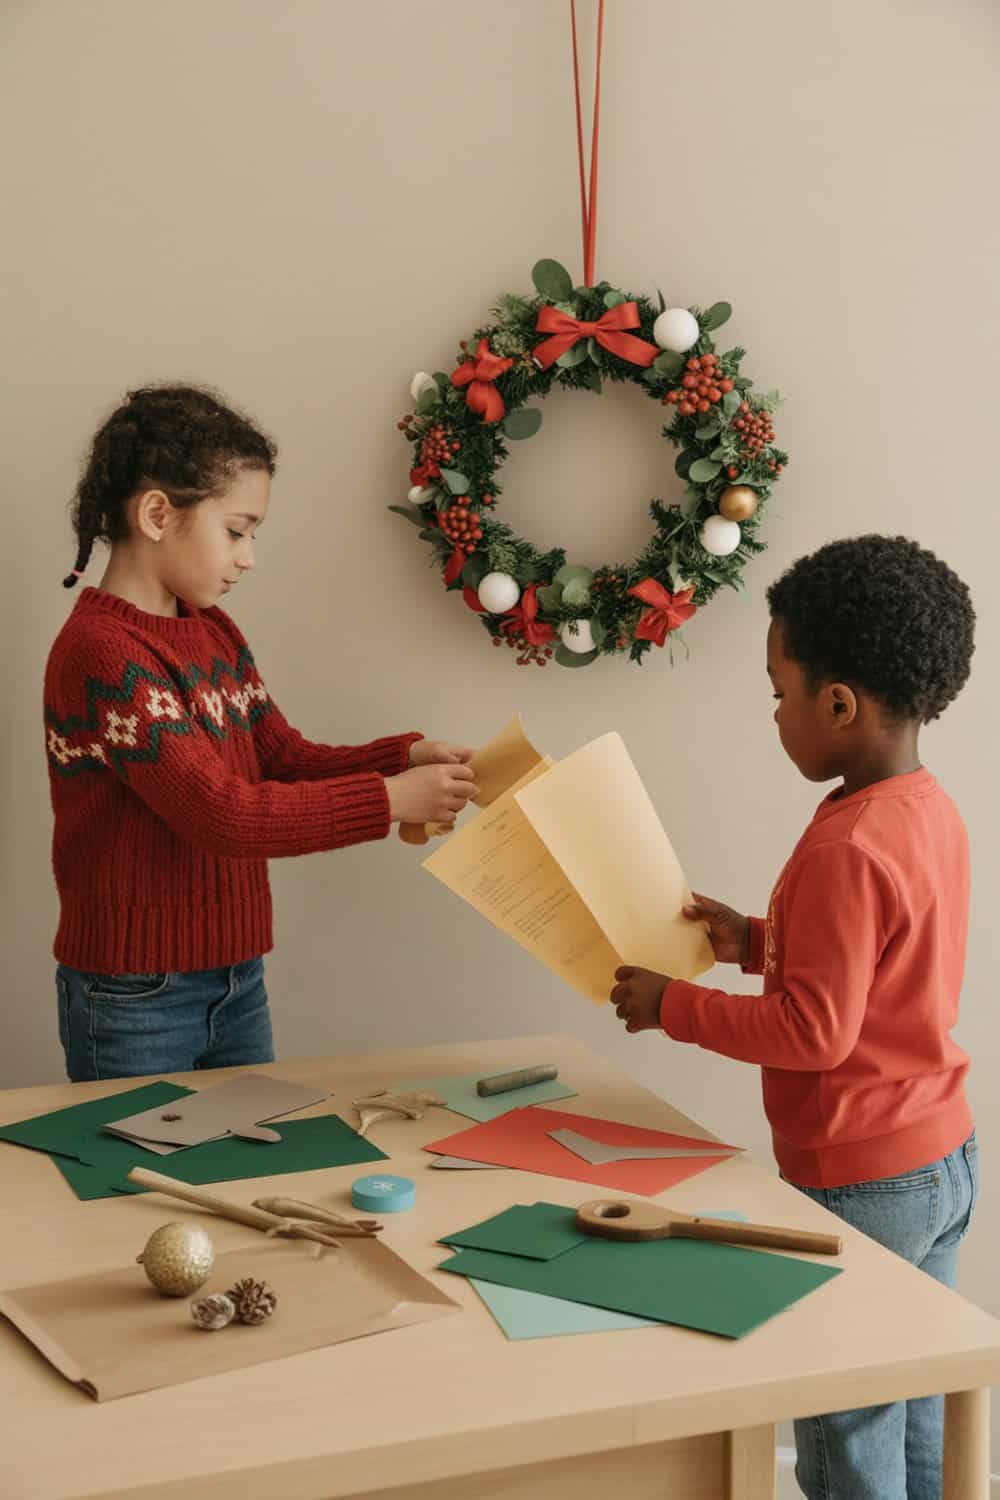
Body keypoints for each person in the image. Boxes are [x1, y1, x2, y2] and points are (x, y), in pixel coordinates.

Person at [609, 534, 978, 1500]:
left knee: (846, 1413)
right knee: (917, 1386)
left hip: (864, 1179)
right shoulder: (924, 810)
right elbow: (878, 968)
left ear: (840, 703)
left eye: (779, 692)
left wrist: (675, 1005)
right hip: (941, 1157)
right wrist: (753, 941)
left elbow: (817, 1031)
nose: (774, 714)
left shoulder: (846, 845)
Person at [45, 384, 477, 1081]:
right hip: (136, 994)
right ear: (158, 513)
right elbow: (221, 814)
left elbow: (278, 758)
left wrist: (400, 757)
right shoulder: (103, 655)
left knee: (245, 1175)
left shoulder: (211, 632)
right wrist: (391, 799)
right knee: (145, 1188)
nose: (248, 557)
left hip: (236, 978)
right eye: (237, 530)